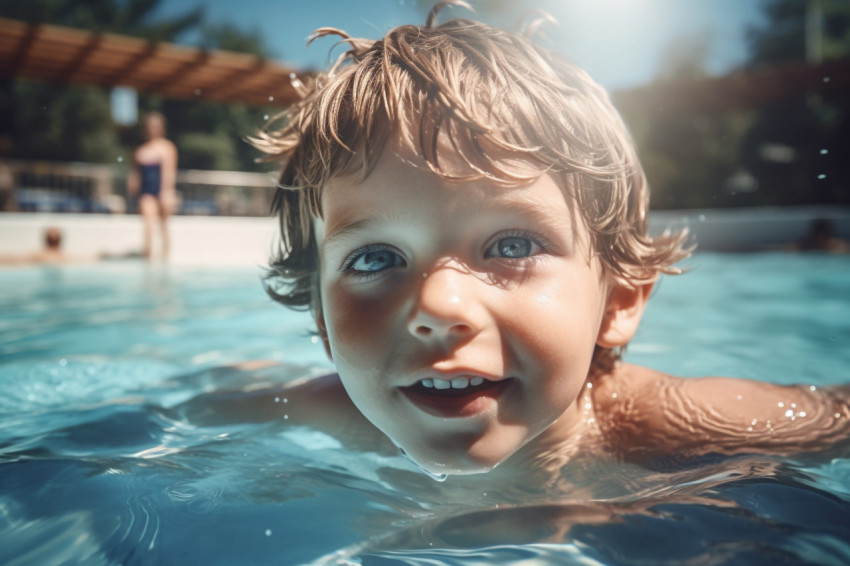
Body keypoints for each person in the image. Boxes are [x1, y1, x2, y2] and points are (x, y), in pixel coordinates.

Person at [246, 3, 849, 483]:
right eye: (375, 257)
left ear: (619, 300)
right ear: (322, 320)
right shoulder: (322, 414)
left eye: (511, 246)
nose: (439, 307)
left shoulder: (692, 427)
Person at [127, 111, 178, 260]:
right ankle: (148, 256)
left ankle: (164, 257)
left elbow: (169, 172)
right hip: (146, 192)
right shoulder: (141, 150)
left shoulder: (167, 147)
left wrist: (167, 192)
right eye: (150, 126)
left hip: (162, 190)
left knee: (163, 226)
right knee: (148, 225)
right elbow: (135, 172)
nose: (152, 129)